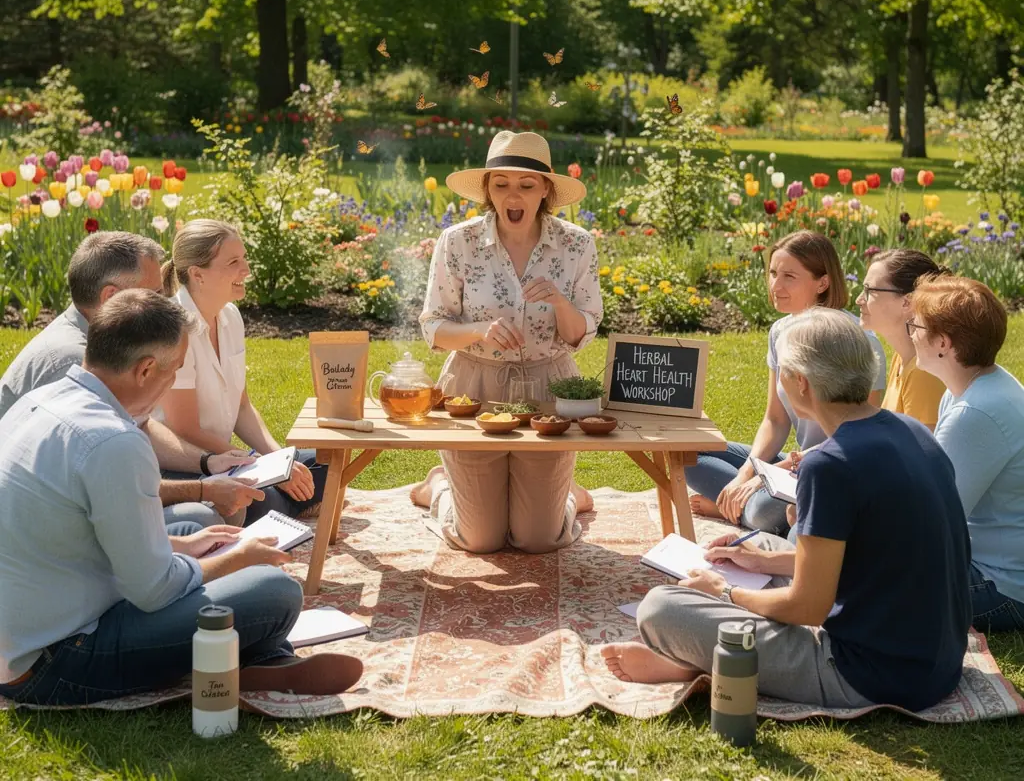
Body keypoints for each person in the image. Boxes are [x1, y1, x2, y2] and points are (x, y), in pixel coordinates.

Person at [0, 289, 362, 706]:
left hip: (33, 625)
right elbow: (152, 590)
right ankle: (258, 659)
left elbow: (71, 534)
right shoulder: (114, 441)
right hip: (58, 659)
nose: (172, 382)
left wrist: (186, 547)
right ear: (145, 369)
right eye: (173, 371)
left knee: (196, 524)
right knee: (275, 591)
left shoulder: (42, 401)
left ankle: (250, 659)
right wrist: (236, 560)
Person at [601, 309, 971, 712]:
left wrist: (726, 592)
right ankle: (710, 651)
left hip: (869, 674)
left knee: (661, 608)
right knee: (757, 546)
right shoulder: (911, 430)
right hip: (938, 661)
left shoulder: (830, 464)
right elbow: (876, 553)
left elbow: (806, 608)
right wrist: (761, 563)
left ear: (800, 383)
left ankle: (697, 661)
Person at [410, 130, 603, 554]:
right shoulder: (456, 242)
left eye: (526, 185)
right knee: (479, 539)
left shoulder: (577, 245)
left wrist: (558, 300)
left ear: (546, 191)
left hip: (549, 391)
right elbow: (434, 328)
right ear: (488, 191)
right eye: (501, 185)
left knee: (538, 539)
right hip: (472, 390)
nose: (512, 196)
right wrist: (479, 331)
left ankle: (565, 495)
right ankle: (440, 487)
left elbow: (580, 334)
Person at [0, 231, 261, 529]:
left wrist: (206, 462)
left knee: (225, 506)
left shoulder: (105, 342)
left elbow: (141, 425)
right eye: (153, 293)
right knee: (204, 518)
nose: (165, 301)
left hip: (82, 493)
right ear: (111, 297)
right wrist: (202, 488)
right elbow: (111, 484)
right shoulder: (75, 361)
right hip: (43, 521)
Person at [687, 231, 886, 533]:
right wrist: (745, 474)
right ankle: (739, 502)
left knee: (760, 511)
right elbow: (775, 419)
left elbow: (854, 439)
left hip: (833, 469)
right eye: (773, 273)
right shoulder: (780, 332)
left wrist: (761, 479)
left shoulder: (859, 342)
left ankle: (734, 508)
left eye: (789, 276)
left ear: (823, 282)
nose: (775, 286)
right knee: (687, 454)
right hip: (795, 464)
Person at [157, 220, 326, 523]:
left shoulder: (230, 316)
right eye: (234, 262)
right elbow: (185, 429)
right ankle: (275, 508)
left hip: (231, 459)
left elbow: (243, 407)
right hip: (191, 465)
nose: (246, 269)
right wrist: (259, 466)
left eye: (244, 258)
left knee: (324, 464)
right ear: (197, 274)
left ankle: (279, 506)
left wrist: (280, 460)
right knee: (255, 499)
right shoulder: (173, 328)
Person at [909, 275, 1024, 631]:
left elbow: (931, 522)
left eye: (915, 325)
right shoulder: (975, 386)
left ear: (942, 342)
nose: (910, 332)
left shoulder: (975, 412)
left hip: (1002, 586)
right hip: (987, 564)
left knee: (859, 582)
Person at [856, 249, 948, 429]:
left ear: (907, 302)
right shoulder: (903, 358)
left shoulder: (923, 372)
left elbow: (923, 452)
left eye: (869, 290)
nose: (859, 299)